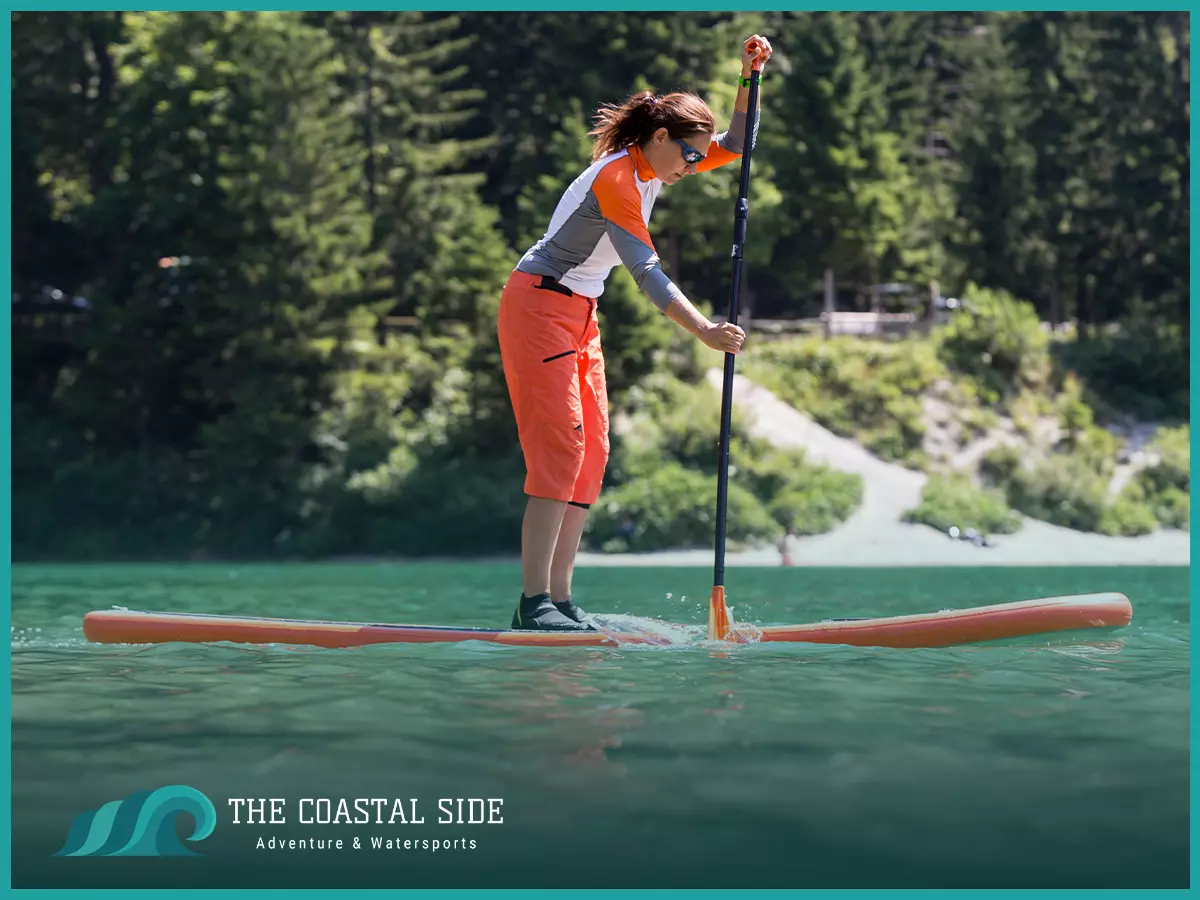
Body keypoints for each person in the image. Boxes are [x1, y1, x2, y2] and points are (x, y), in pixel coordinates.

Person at [498, 35, 774, 632]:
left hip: (579, 314)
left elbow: (737, 145)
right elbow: (645, 270)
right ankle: (532, 604)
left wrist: (749, 79)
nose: (697, 166)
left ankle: (561, 602)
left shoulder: (661, 165)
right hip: (536, 307)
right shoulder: (618, 180)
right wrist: (703, 329)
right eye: (690, 157)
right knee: (562, 452)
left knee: (592, 456)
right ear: (657, 139)